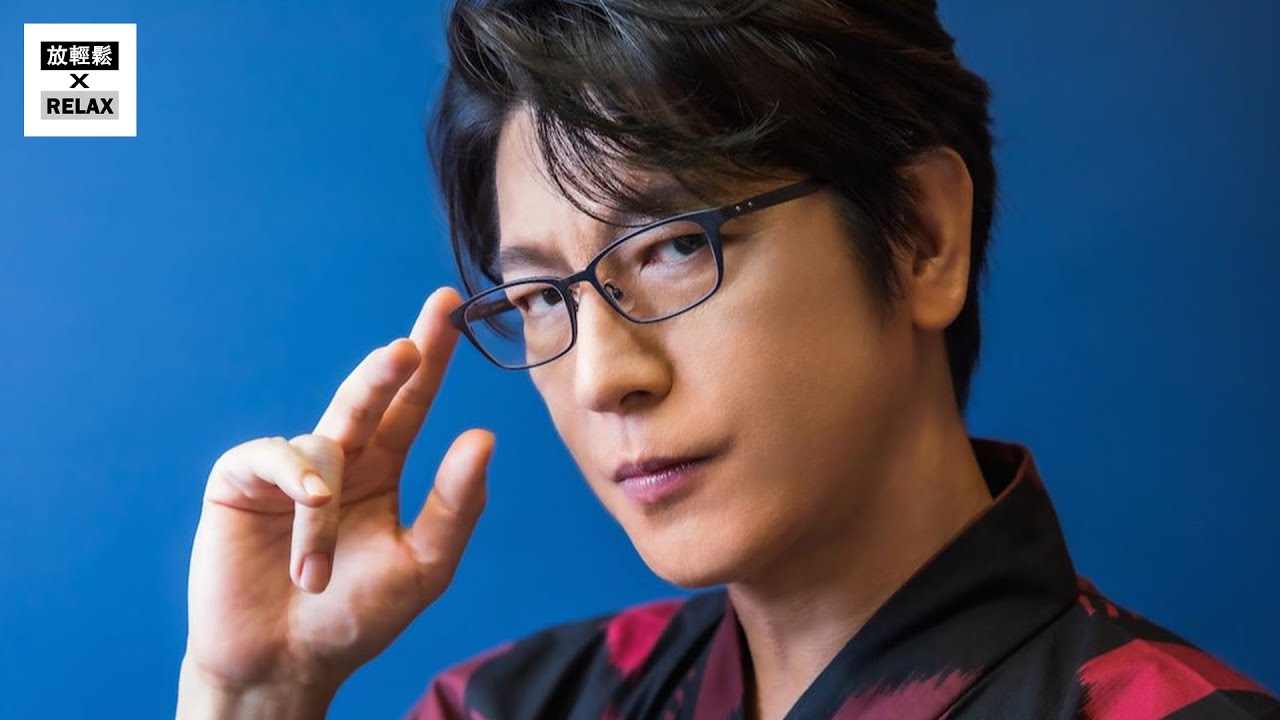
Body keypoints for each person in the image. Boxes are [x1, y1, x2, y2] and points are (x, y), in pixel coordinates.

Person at [176, 1, 1279, 718]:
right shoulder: (521, 708)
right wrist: (255, 695)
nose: (604, 376)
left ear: (920, 236)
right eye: (544, 297)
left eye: (671, 247)